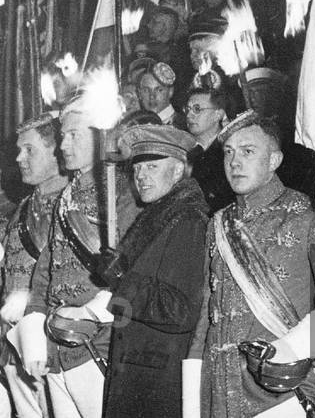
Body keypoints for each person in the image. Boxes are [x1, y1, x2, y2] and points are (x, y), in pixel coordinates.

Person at [188, 111, 315, 417]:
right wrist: (192, 395)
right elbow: (206, 313)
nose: (234, 162)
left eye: (248, 151)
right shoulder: (218, 222)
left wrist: (290, 350)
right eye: (229, 152)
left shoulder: (308, 216)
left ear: (274, 161)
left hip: (281, 392)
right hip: (220, 389)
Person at [16, 94, 137, 418]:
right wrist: (33, 330)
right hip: (58, 346)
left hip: (100, 344)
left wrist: (90, 312)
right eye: (62, 136)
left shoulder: (123, 191)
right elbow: (44, 273)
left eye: (74, 135)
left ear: (100, 137)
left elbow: (133, 273)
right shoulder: (65, 196)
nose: (63, 146)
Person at [103, 124, 209, 417]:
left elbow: (181, 311)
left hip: (158, 378)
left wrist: (123, 278)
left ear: (177, 172)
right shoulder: (155, 215)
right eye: (137, 169)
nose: (141, 176)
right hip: (138, 370)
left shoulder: (187, 220)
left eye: (152, 166)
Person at [0, 114, 68, 418]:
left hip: (53, 345)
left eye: (29, 150)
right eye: (19, 150)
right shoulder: (23, 208)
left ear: (56, 152)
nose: (19, 158)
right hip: (15, 344)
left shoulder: (72, 206)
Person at [184, 86, 234, 214]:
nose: (189, 115)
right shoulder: (184, 151)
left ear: (218, 114)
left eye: (197, 109)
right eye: (187, 109)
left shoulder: (228, 152)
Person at [136, 62, 187, 130]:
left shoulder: (184, 126)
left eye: (159, 90)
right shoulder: (137, 126)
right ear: (139, 93)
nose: (152, 96)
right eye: (146, 90)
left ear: (170, 92)